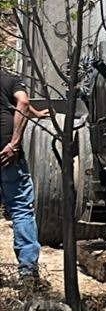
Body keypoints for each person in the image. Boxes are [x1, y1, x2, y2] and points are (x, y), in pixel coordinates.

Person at [0, 65, 45, 290]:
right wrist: (14, 143)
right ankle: (28, 273)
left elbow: (22, 104)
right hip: (7, 155)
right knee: (20, 209)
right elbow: (22, 102)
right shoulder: (8, 79)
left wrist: (35, 113)